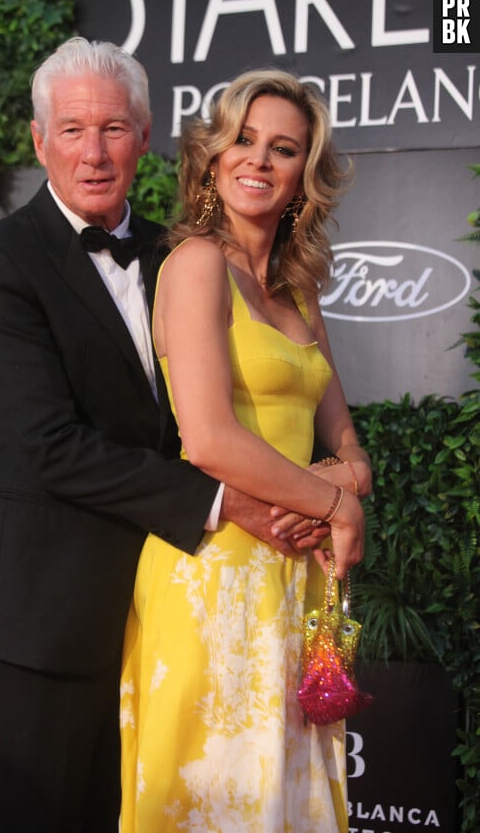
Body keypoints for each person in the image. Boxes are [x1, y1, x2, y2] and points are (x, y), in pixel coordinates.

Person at [0, 39, 325, 833]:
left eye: (114, 129)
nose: (94, 153)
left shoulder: (182, 256)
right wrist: (229, 502)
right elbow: (49, 445)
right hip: (54, 622)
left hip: (172, 613)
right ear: (38, 139)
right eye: (74, 129)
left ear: (146, 137)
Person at [119, 68, 372, 832]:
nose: (258, 160)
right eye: (244, 140)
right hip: (215, 576)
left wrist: (346, 481)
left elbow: (347, 439)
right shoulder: (195, 264)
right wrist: (332, 501)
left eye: (283, 148)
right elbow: (209, 438)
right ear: (214, 156)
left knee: (284, 804)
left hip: (295, 580)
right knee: (216, 801)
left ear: (305, 176)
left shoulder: (299, 292)